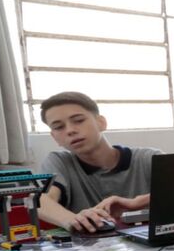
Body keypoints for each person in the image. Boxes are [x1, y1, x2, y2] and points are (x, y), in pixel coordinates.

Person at [37, 92, 160, 233]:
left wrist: (135, 203)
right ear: (55, 138)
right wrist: (76, 220)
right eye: (59, 127)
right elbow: (41, 200)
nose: (70, 130)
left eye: (78, 120)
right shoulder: (59, 162)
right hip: (91, 250)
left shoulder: (148, 158)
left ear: (101, 123)